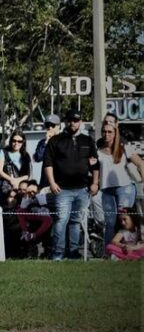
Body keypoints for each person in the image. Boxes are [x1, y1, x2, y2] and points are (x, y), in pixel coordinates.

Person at [43, 109, 99, 261]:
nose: (73, 123)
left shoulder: (88, 141)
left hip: (83, 189)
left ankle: (74, 252)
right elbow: (47, 164)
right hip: (62, 190)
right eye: (70, 120)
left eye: (76, 120)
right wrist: (52, 183)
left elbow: (95, 165)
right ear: (65, 122)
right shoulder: (55, 140)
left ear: (80, 122)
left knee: (75, 222)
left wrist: (95, 183)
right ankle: (58, 254)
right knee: (61, 221)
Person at [97, 123, 143, 246]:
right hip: (106, 190)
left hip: (125, 188)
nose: (106, 134)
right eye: (104, 131)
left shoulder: (124, 147)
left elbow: (140, 163)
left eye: (110, 132)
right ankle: (110, 254)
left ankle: (131, 250)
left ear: (115, 133)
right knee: (110, 222)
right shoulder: (98, 150)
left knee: (125, 220)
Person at [0, 131, 31, 205]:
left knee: (21, 211)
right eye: (14, 141)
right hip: (5, 188)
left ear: (23, 142)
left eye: (19, 141)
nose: (16, 143)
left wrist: (17, 181)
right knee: (6, 211)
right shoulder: (3, 152)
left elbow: (27, 175)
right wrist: (11, 180)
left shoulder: (26, 155)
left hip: (20, 189)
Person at [32, 114, 61, 189]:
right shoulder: (43, 142)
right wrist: (46, 142)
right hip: (46, 182)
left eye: (52, 125)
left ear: (58, 126)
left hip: (61, 181)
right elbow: (38, 158)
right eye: (47, 125)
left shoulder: (64, 141)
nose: (50, 128)